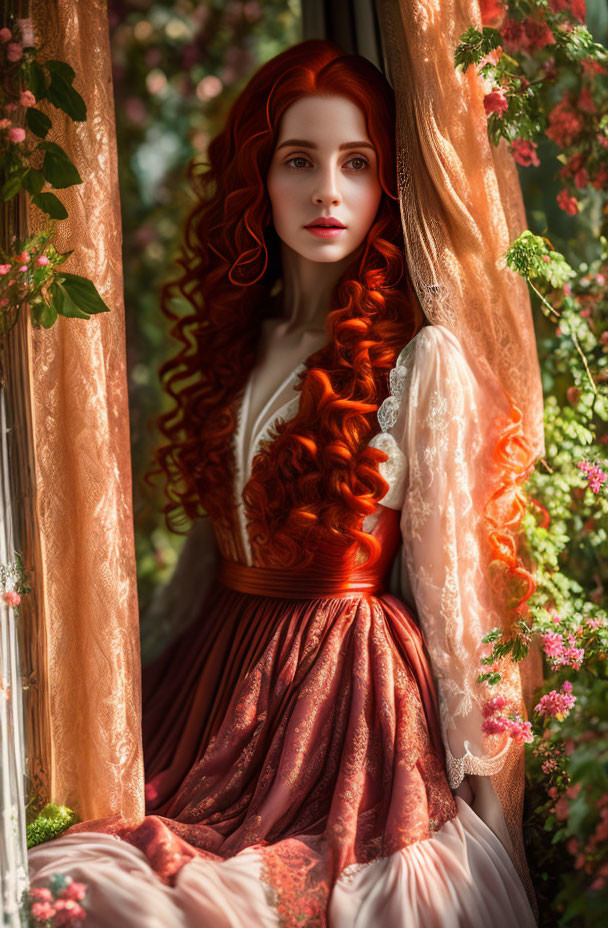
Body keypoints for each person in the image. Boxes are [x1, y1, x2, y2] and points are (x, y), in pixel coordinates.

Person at [28, 39, 538, 927]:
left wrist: (495, 814)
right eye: (298, 161)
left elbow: (457, 598)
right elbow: (202, 565)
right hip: (215, 679)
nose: (327, 192)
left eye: (357, 163)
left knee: (211, 895)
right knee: (92, 870)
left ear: (389, 186)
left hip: (343, 697)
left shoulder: (423, 360)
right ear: (258, 180)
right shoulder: (241, 345)